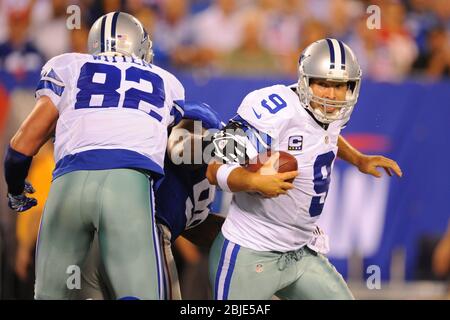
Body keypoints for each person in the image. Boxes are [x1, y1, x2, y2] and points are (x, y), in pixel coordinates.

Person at [3, 12, 185, 300]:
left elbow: (22, 145)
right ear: (139, 45)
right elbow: (179, 150)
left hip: (67, 185)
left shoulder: (70, 64)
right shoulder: (166, 80)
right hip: (128, 186)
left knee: (49, 295)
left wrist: (14, 189)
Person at [206, 38, 403, 300]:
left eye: (339, 86)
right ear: (305, 81)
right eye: (323, 84)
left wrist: (358, 159)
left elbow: (326, 136)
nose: (332, 95)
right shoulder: (276, 111)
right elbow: (214, 168)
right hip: (250, 250)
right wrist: (254, 181)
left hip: (299, 251)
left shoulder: (330, 112)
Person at [74, 102, 225, 300]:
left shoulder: (191, 192)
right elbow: (178, 149)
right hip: (142, 228)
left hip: (100, 234)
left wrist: (260, 237)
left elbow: (194, 226)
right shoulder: (207, 124)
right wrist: (233, 147)